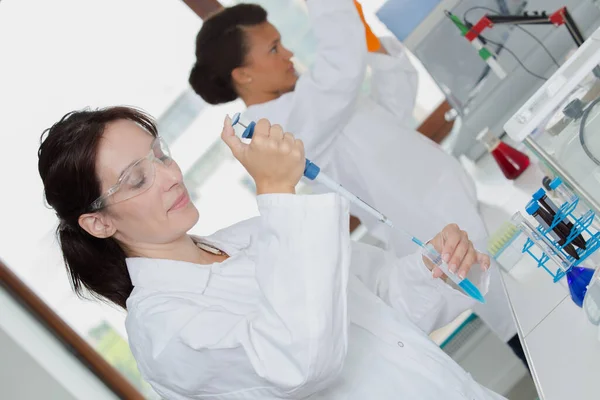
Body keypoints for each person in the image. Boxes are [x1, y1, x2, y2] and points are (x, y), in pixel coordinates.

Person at [38, 106, 504, 399]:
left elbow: (379, 300)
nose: (170, 176)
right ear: (99, 223)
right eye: (138, 179)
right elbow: (296, 363)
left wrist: (433, 268)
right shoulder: (161, 329)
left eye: (160, 155)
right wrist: (277, 187)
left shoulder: (255, 235)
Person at [188, 0, 524, 363]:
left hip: (467, 213)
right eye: (273, 49)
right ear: (243, 75)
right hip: (446, 238)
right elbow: (341, 68)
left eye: (281, 42)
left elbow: (390, 113)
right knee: (536, 329)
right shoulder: (280, 129)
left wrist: (375, 47)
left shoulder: (309, 105)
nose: (288, 53)